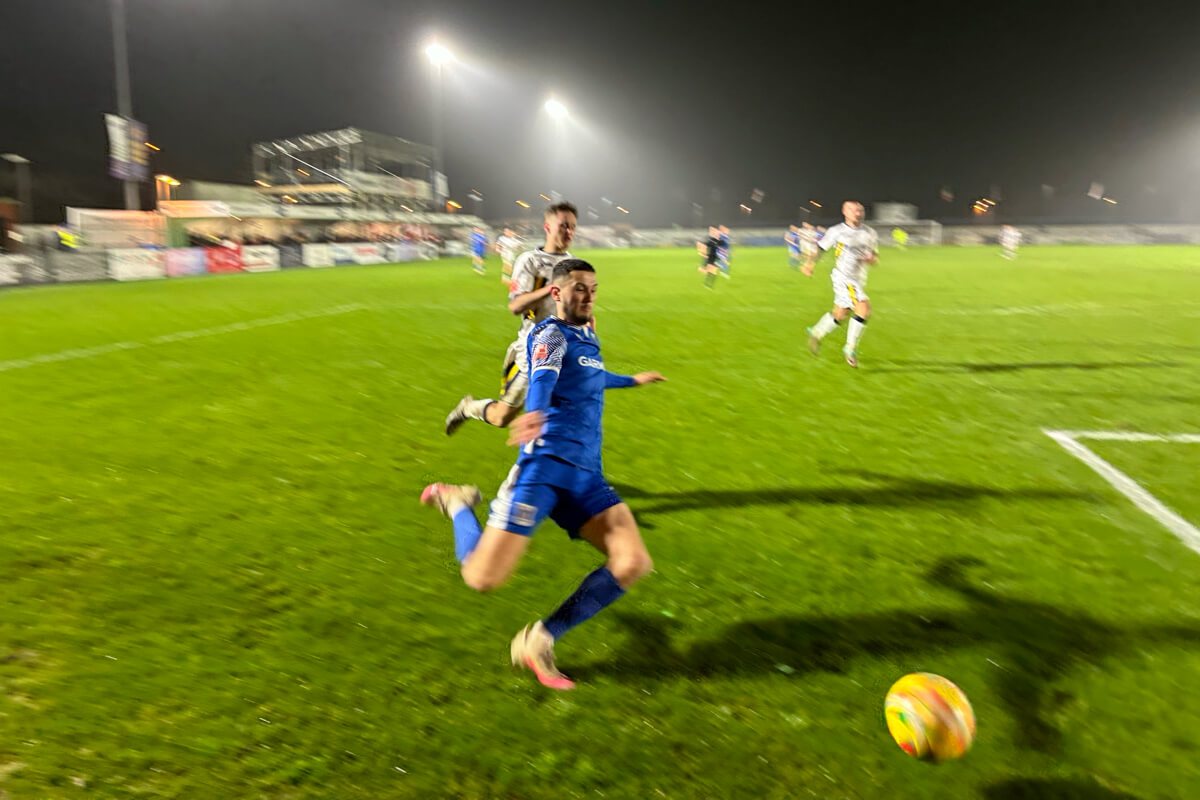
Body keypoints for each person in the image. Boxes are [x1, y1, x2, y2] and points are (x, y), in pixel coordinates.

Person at [421, 259, 666, 689]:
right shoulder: (550, 334)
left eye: (592, 288)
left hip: (587, 475)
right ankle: (459, 504)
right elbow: (544, 378)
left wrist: (632, 380)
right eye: (578, 289)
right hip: (544, 469)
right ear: (556, 294)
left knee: (631, 562)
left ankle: (540, 639)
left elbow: (591, 378)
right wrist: (534, 414)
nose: (588, 296)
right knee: (482, 578)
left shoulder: (586, 336)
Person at [444, 202, 578, 434]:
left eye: (572, 227)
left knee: (564, 419)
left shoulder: (575, 264)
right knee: (502, 417)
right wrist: (551, 288)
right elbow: (516, 306)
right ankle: (468, 407)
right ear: (547, 227)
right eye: (563, 226)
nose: (568, 232)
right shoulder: (530, 261)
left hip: (564, 352)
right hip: (533, 352)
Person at [802, 200, 879, 368]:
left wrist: (872, 259)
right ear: (844, 212)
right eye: (852, 210)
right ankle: (850, 348)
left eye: (860, 210)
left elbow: (874, 257)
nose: (857, 213)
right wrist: (809, 263)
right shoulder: (837, 231)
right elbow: (820, 248)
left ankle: (817, 332)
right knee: (864, 308)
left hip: (858, 278)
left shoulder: (870, 233)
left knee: (840, 314)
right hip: (843, 277)